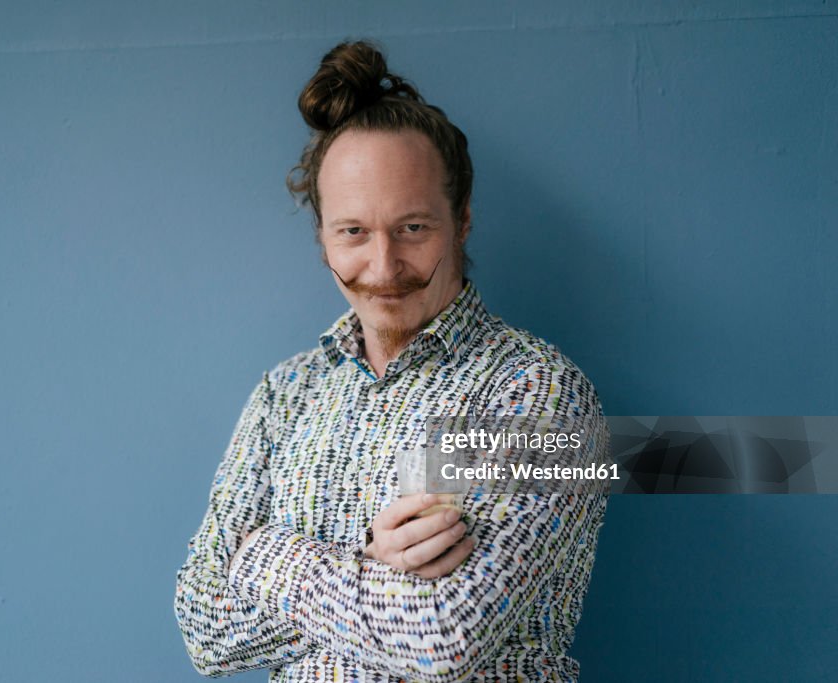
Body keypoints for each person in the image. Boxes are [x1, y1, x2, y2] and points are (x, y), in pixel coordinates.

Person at [174, 40, 611, 682]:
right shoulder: (285, 394)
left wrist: (261, 558)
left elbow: (444, 639)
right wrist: (370, 561)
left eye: (412, 229)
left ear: (461, 222)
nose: (383, 269)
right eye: (353, 232)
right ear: (322, 234)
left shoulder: (538, 394)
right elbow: (205, 631)